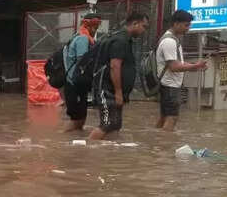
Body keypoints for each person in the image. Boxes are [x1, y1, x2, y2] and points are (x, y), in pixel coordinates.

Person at [89, 12, 150, 140]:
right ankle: (87, 148)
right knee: (107, 124)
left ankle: (111, 152)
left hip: (113, 90)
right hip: (107, 90)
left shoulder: (123, 39)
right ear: (135, 23)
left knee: (115, 125)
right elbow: (114, 66)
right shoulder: (120, 41)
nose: (144, 30)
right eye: (144, 26)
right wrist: (118, 92)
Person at [155, 10, 208, 132]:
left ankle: (156, 139)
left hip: (168, 85)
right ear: (176, 24)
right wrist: (195, 66)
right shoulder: (169, 41)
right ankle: (165, 142)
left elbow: (178, 63)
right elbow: (174, 67)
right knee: (172, 118)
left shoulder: (172, 39)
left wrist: (196, 66)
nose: (188, 28)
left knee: (164, 117)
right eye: (186, 25)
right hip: (170, 86)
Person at [63, 13, 102, 131]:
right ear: (88, 26)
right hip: (74, 84)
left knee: (81, 119)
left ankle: (74, 141)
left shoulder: (78, 36)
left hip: (77, 84)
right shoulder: (83, 39)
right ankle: (61, 139)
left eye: (97, 27)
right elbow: (83, 62)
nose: (95, 30)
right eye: (94, 27)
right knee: (76, 120)